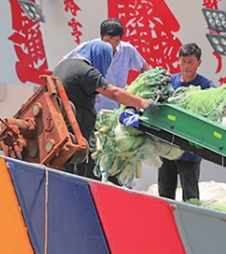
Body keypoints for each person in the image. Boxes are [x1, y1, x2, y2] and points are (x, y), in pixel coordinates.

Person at [55, 40, 157, 180]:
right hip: (77, 139)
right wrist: (142, 102)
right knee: (88, 176)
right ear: (100, 57)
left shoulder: (63, 65)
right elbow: (113, 93)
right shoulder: (87, 72)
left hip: (59, 133)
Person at [157, 42, 216, 201]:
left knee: (190, 196)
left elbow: (215, 107)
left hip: (190, 152)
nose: (186, 66)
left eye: (190, 62)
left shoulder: (206, 86)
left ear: (199, 63)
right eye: (183, 61)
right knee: (164, 194)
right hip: (167, 148)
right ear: (178, 61)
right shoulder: (169, 81)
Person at [66, 19, 147, 113]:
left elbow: (145, 68)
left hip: (118, 106)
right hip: (93, 106)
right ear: (101, 37)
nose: (112, 45)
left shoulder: (127, 50)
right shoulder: (89, 48)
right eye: (108, 41)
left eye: (116, 41)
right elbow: (65, 63)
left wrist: (140, 89)